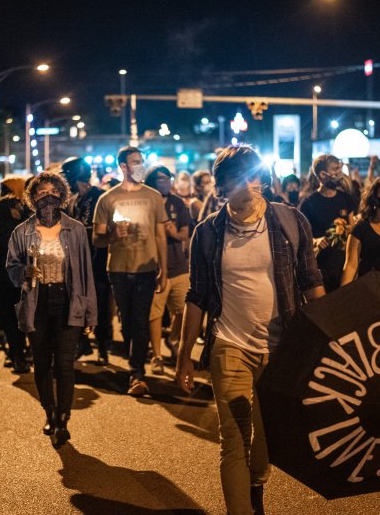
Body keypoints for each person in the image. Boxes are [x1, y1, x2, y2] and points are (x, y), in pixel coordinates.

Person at [176, 145, 325, 515]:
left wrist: (327, 340)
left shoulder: (290, 221)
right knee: (234, 440)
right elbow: (196, 297)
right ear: (223, 187)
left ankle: (256, 483)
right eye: (242, 178)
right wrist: (184, 359)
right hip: (230, 345)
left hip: (282, 348)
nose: (253, 185)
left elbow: (311, 281)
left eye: (256, 176)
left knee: (266, 445)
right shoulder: (208, 233)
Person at [6, 172, 97, 446]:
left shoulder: (76, 230)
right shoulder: (22, 232)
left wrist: (90, 312)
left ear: (62, 196)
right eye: (42, 192)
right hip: (37, 301)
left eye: (54, 192)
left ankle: (64, 419)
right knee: (42, 363)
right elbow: (10, 268)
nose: (48, 197)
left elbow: (86, 273)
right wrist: (24, 271)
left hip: (68, 300)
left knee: (65, 364)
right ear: (32, 198)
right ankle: (50, 413)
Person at [94, 146, 168, 396]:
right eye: (135, 162)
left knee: (141, 320)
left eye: (141, 161)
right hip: (118, 269)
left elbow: (160, 235)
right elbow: (97, 239)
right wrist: (114, 233)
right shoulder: (107, 199)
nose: (140, 166)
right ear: (123, 167)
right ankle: (134, 364)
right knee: (126, 322)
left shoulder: (154, 196)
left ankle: (137, 373)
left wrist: (164, 269)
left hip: (146, 268)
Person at [61, 157, 113, 365]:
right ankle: (82, 343)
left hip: (98, 262)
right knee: (78, 304)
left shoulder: (99, 196)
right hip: (77, 262)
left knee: (100, 305)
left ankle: (102, 346)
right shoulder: (72, 200)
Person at [145, 165, 190, 374]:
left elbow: (184, 234)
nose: (167, 182)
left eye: (168, 178)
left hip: (179, 267)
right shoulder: (147, 203)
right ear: (152, 181)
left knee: (183, 311)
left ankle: (173, 340)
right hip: (153, 268)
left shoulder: (178, 203)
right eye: (162, 179)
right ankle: (157, 355)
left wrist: (173, 232)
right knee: (155, 314)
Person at [300, 154, 358, 292]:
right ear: (322, 174)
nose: (339, 173)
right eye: (335, 169)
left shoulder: (345, 198)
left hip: (344, 266)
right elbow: (302, 237)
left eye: (339, 169)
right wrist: (316, 241)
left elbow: (352, 229)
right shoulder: (309, 203)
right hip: (321, 268)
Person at [0, 190, 30, 372]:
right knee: (14, 319)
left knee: (14, 319)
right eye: (16, 206)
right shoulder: (7, 228)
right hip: (9, 279)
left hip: (9, 278)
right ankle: (17, 354)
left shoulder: (20, 225)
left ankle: (17, 353)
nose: (20, 208)